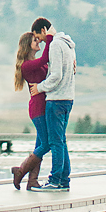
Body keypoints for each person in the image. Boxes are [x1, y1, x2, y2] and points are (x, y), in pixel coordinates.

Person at [31, 16, 77, 190]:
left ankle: (55, 180)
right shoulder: (68, 44)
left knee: (56, 142)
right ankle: (64, 179)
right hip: (68, 98)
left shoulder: (56, 45)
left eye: (39, 36)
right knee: (61, 141)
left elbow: (56, 75)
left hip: (56, 99)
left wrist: (40, 87)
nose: (41, 41)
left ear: (44, 30)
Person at [10, 29, 50, 189]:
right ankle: (20, 171)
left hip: (43, 108)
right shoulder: (27, 65)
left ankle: (32, 180)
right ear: (28, 45)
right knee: (46, 144)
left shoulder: (36, 63)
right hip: (38, 109)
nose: (39, 42)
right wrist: (50, 38)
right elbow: (46, 57)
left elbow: (48, 64)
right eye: (36, 40)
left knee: (39, 145)